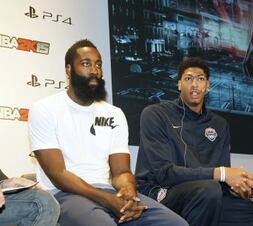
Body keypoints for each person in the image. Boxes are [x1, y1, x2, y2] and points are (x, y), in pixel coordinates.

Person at [28, 39, 188, 226]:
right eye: (86, 64)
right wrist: (107, 200)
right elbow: (59, 174)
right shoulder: (45, 109)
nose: (95, 70)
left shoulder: (114, 113)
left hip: (108, 191)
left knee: (176, 224)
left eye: (98, 64)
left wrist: (128, 193)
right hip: (64, 194)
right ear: (69, 70)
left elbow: (121, 172)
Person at [135, 57, 253, 226]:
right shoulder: (155, 114)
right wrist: (222, 173)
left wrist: (238, 187)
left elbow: (220, 181)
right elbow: (164, 174)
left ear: (207, 86)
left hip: (208, 197)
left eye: (200, 79)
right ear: (178, 84)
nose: (194, 84)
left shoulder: (219, 125)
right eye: (188, 78)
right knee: (209, 190)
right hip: (161, 193)